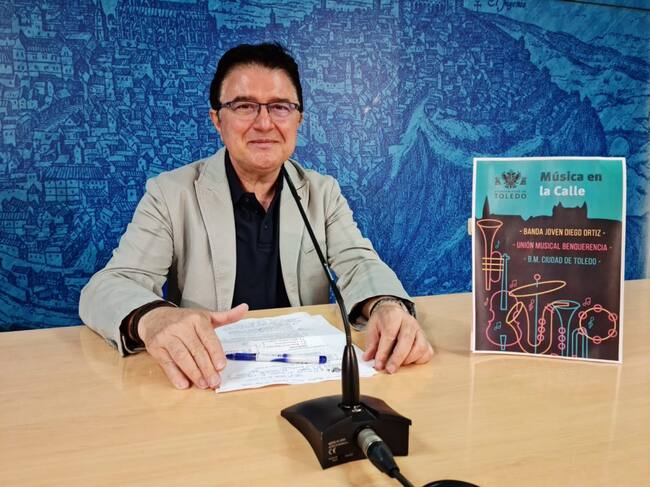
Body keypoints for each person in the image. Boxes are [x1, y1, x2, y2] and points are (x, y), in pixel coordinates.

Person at [79, 43, 433, 390]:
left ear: (298, 119)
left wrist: (385, 304)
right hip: (208, 377)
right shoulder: (172, 193)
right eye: (245, 106)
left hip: (305, 378)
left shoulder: (322, 192)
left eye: (280, 107)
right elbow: (107, 287)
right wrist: (154, 318)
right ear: (217, 120)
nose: (264, 123)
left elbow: (359, 264)